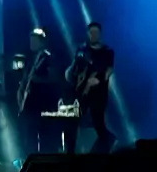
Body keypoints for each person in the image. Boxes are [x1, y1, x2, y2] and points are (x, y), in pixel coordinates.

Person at [65, 22, 115, 153]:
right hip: (81, 92)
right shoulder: (82, 49)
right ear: (88, 33)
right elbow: (74, 67)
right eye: (91, 32)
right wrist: (72, 76)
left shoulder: (107, 51)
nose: (93, 35)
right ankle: (69, 153)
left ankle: (107, 144)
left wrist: (98, 79)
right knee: (72, 121)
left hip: (98, 94)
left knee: (98, 123)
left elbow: (109, 71)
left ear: (100, 34)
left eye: (96, 32)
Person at [17, 29, 60, 159]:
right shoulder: (30, 60)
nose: (32, 43)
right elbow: (25, 80)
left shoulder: (48, 58)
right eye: (31, 40)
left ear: (42, 42)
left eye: (35, 40)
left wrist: (37, 79)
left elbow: (55, 78)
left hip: (45, 104)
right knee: (30, 137)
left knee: (46, 137)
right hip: (31, 105)